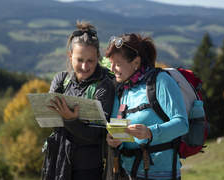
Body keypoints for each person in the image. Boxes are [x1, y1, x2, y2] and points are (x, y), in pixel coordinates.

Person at [105, 33, 188, 180]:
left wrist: (150, 133)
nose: (112, 69)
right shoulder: (121, 89)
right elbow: (118, 130)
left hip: (161, 174)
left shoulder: (161, 82)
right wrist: (116, 141)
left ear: (136, 62)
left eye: (117, 64)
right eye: (110, 63)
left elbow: (182, 123)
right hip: (127, 173)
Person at [42, 21, 115, 180]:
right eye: (79, 59)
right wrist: (72, 120)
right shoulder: (61, 80)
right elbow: (48, 119)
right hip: (56, 162)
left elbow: (97, 133)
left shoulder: (104, 86)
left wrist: (69, 119)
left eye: (90, 60)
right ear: (70, 56)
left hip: (87, 169)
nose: (84, 66)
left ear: (98, 57)